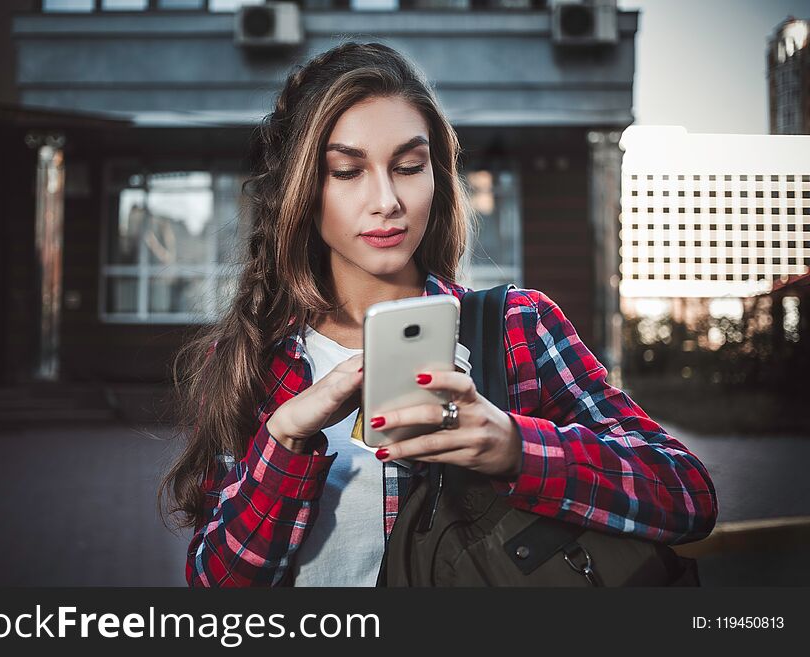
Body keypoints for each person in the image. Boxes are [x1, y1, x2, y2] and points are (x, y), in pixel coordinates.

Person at [157, 41, 718, 588]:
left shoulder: (516, 327)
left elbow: (686, 494)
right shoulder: (252, 357)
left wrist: (515, 449)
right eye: (347, 171)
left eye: (407, 165)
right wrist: (284, 441)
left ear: (435, 176)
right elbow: (217, 587)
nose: (387, 200)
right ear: (303, 189)